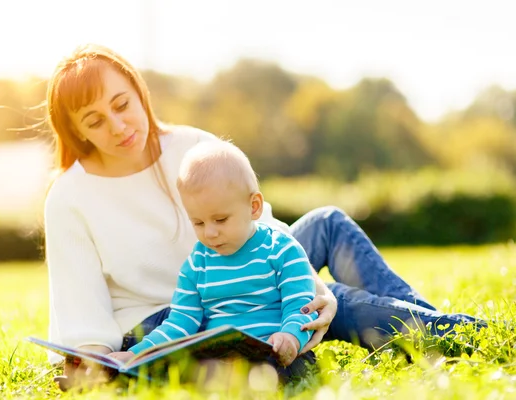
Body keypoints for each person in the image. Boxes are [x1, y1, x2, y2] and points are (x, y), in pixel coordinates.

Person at [43, 43, 482, 389]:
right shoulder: (70, 197)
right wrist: (99, 361)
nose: (118, 126)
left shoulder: (193, 146)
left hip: (249, 267)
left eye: (121, 105)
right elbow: (81, 306)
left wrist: (312, 289)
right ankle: (462, 335)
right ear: (76, 129)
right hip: (175, 319)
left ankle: (441, 328)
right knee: (343, 305)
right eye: (95, 121)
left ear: (139, 92)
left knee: (326, 226)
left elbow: (262, 229)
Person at [107, 140, 320, 382]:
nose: (209, 233)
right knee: (180, 368)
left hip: (277, 354)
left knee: (282, 372)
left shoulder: (283, 250)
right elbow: (179, 323)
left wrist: (290, 337)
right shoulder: (197, 265)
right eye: (198, 222)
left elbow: (301, 307)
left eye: (220, 220)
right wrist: (134, 354)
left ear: (254, 206)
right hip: (220, 359)